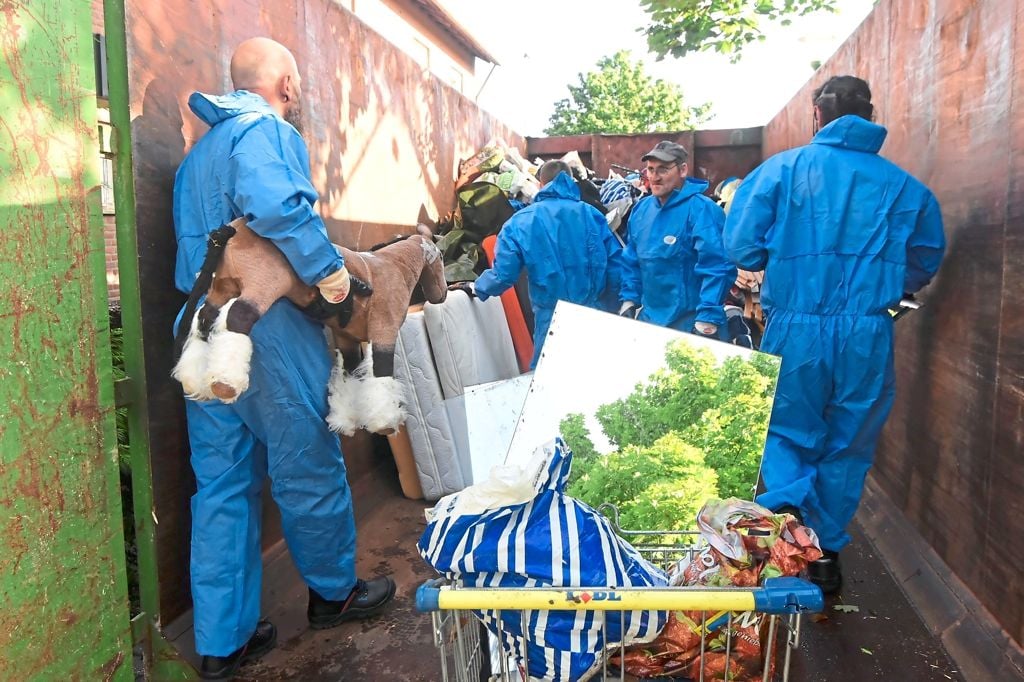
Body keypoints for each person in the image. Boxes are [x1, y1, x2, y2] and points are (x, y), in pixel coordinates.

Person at [172, 37, 395, 679]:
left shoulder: (196, 157)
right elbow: (276, 206)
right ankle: (334, 593)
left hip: (198, 328)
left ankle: (224, 642)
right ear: (288, 85)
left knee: (221, 485)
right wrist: (329, 274)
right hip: (263, 327)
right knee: (306, 461)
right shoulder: (265, 130)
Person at [723, 75, 946, 594]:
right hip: (867, 331)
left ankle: (790, 527)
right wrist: (887, 293)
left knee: (785, 430)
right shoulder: (907, 187)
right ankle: (825, 557)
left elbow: (742, 245)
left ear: (817, 115)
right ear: (870, 116)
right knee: (848, 443)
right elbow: (925, 258)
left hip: (797, 326)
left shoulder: (782, 170)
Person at [474, 160, 623, 368]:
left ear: (541, 184)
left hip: (552, 322)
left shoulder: (520, 222)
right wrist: (611, 307)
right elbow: (616, 267)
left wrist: (477, 288)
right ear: (571, 181)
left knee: (550, 379)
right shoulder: (592, 215)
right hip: (595, 318)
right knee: (596, 376)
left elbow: (503, 275)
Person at [618, 141, 736, 339]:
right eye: (650, 169)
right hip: (650, 322)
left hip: (691, 325)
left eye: (663, 169)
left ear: (682, 170)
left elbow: (717, 267)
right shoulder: (641, 211)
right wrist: (629, 300)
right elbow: (632, 261)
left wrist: (707, 319)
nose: (654, 177)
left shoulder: (702, 210)